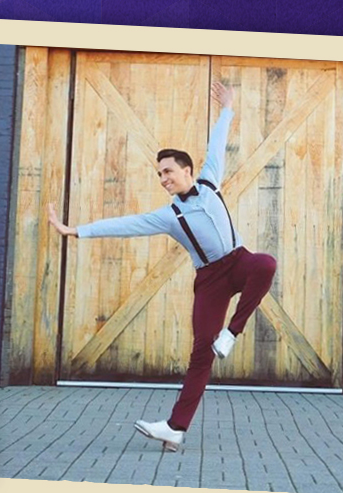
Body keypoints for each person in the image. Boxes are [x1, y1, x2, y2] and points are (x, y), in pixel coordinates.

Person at [47, 81, 278, 452]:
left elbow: (218, 141)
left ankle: (232, 333)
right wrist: (75, 231)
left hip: (239, 261)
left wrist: (228, 107)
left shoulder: (210, 181)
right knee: (201, 352)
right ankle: (175, 428)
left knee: (266, 263)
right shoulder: (169, 215)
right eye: (159, 174)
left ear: (187, 170)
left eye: (167, 171)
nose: (163, 179)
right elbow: (125, 225)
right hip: (210, 280)